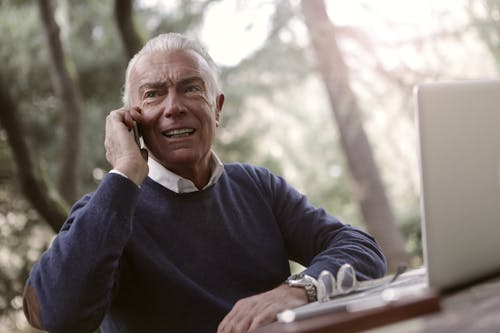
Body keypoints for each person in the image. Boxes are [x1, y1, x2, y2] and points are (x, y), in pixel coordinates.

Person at [23, 32, 386, 333]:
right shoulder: (108, 210)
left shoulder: (257, 186)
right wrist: (124, 173)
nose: (173, 106)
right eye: (152, 94)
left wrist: (294, 291)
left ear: (217, 107)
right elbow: (60, 314)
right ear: (131, 121)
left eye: (190, 88)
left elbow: (361, 249)